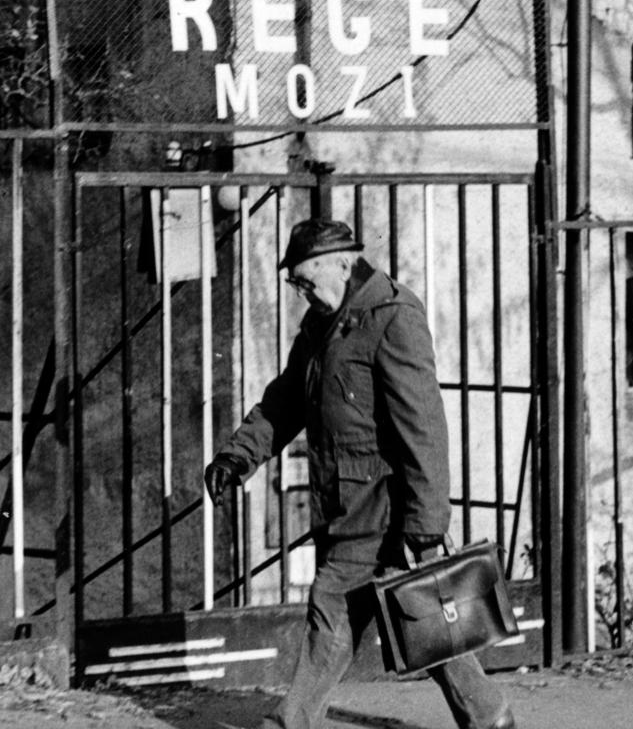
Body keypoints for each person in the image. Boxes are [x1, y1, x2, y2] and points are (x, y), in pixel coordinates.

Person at [204, 218, 514, 729]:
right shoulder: (321, 324)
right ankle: (489, 714)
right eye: (295, 283)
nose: (301, 291)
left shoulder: (393, 317)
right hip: (343, 501)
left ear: (343, 263)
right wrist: (238, 457)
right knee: (418, 616)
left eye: (306, 279)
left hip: (384, 503)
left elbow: (423, 428)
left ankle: (291, 722)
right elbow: (286, 401)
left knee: (334, 604)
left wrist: (428, 522)